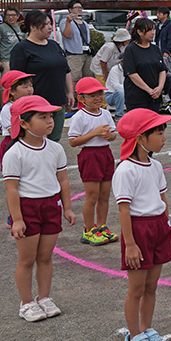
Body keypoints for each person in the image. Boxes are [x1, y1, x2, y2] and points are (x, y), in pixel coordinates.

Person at [2, 95, 77, 322]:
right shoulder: (14, 153)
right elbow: (12, 189)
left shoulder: (55, 148)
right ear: (24, 124)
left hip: (51, 205)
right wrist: (17, 219)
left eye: (51, 116)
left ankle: (44, 297)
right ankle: (26, 303)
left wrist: (67, 208)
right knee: (27, 259)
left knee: (45, 256)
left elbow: (63, 180)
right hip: (27, 208)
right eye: (42, 117)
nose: (50, 121)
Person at [112, 108, 171, 341]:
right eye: (158, 133)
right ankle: (133, 337)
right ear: (140, 138)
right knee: (136, 288)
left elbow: (162, 199)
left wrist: (167, 228)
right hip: (138, 230)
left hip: (158, 227)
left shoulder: (156, 165)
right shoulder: (126, 170)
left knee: (151, 285)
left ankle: (147, 330)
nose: (164, 138)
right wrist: (130, 244)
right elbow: (124, 210)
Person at [69, 77, 119, 246]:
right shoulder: (79, 117)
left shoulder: (105, 113)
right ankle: (89, 230)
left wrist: (109, 135)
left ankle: (101, 226)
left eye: (100, 94)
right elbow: (73, 141)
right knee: (92, 196)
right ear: (81, 98)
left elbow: (113, 135)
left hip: (105, 154)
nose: (98, 98)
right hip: (90, 156)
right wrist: (94, 133)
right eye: (92, 95)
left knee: (104, 194)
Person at [10, 10, 73, 142]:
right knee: (36, 141)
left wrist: (70, 92)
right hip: (35, 105)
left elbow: (66, 70)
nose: (50, 27)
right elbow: (17, 79)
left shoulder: (54, 45)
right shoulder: (21, 48)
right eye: (46, 24)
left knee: (54, 140)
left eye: (50, 23)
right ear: (33, 27)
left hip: (57, 101)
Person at [123, 17, 166, 113]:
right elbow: (131, 73)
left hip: (155, 96)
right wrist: (148, 90)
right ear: (139, 32)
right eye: (149, 30)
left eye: (154, 30)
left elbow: (162, 69)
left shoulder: (155, 49)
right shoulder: (131, 49)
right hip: (137, 97)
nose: (153, 33)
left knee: (153, 121)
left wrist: (160, 87)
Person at [0, 70, 34, 163]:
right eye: (25, 87)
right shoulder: (8, 109)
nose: (30, 89)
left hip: (29, 140)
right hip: (13, 143)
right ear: (12, 91)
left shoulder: (31, 105)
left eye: (31, 86)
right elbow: (14, 133)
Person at [59, 1, 94, 80]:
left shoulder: (84, 23)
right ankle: (73, 89)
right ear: (70, 10)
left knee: (88, 77)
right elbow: (67, 35)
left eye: (81, 7)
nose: (80, 9)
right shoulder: (64, 21)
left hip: (87, 53)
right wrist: (68, 22)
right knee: (74, 78)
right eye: (77, 7)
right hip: (74, 54)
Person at [0, 6, 23, 74]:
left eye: (13, 15)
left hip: (20, 59)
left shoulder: (21, 28)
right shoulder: (0, 28)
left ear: (18, 16)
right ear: (5, 17)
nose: (11, 17)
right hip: (6, 60)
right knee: (7, 79)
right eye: (8, 15)